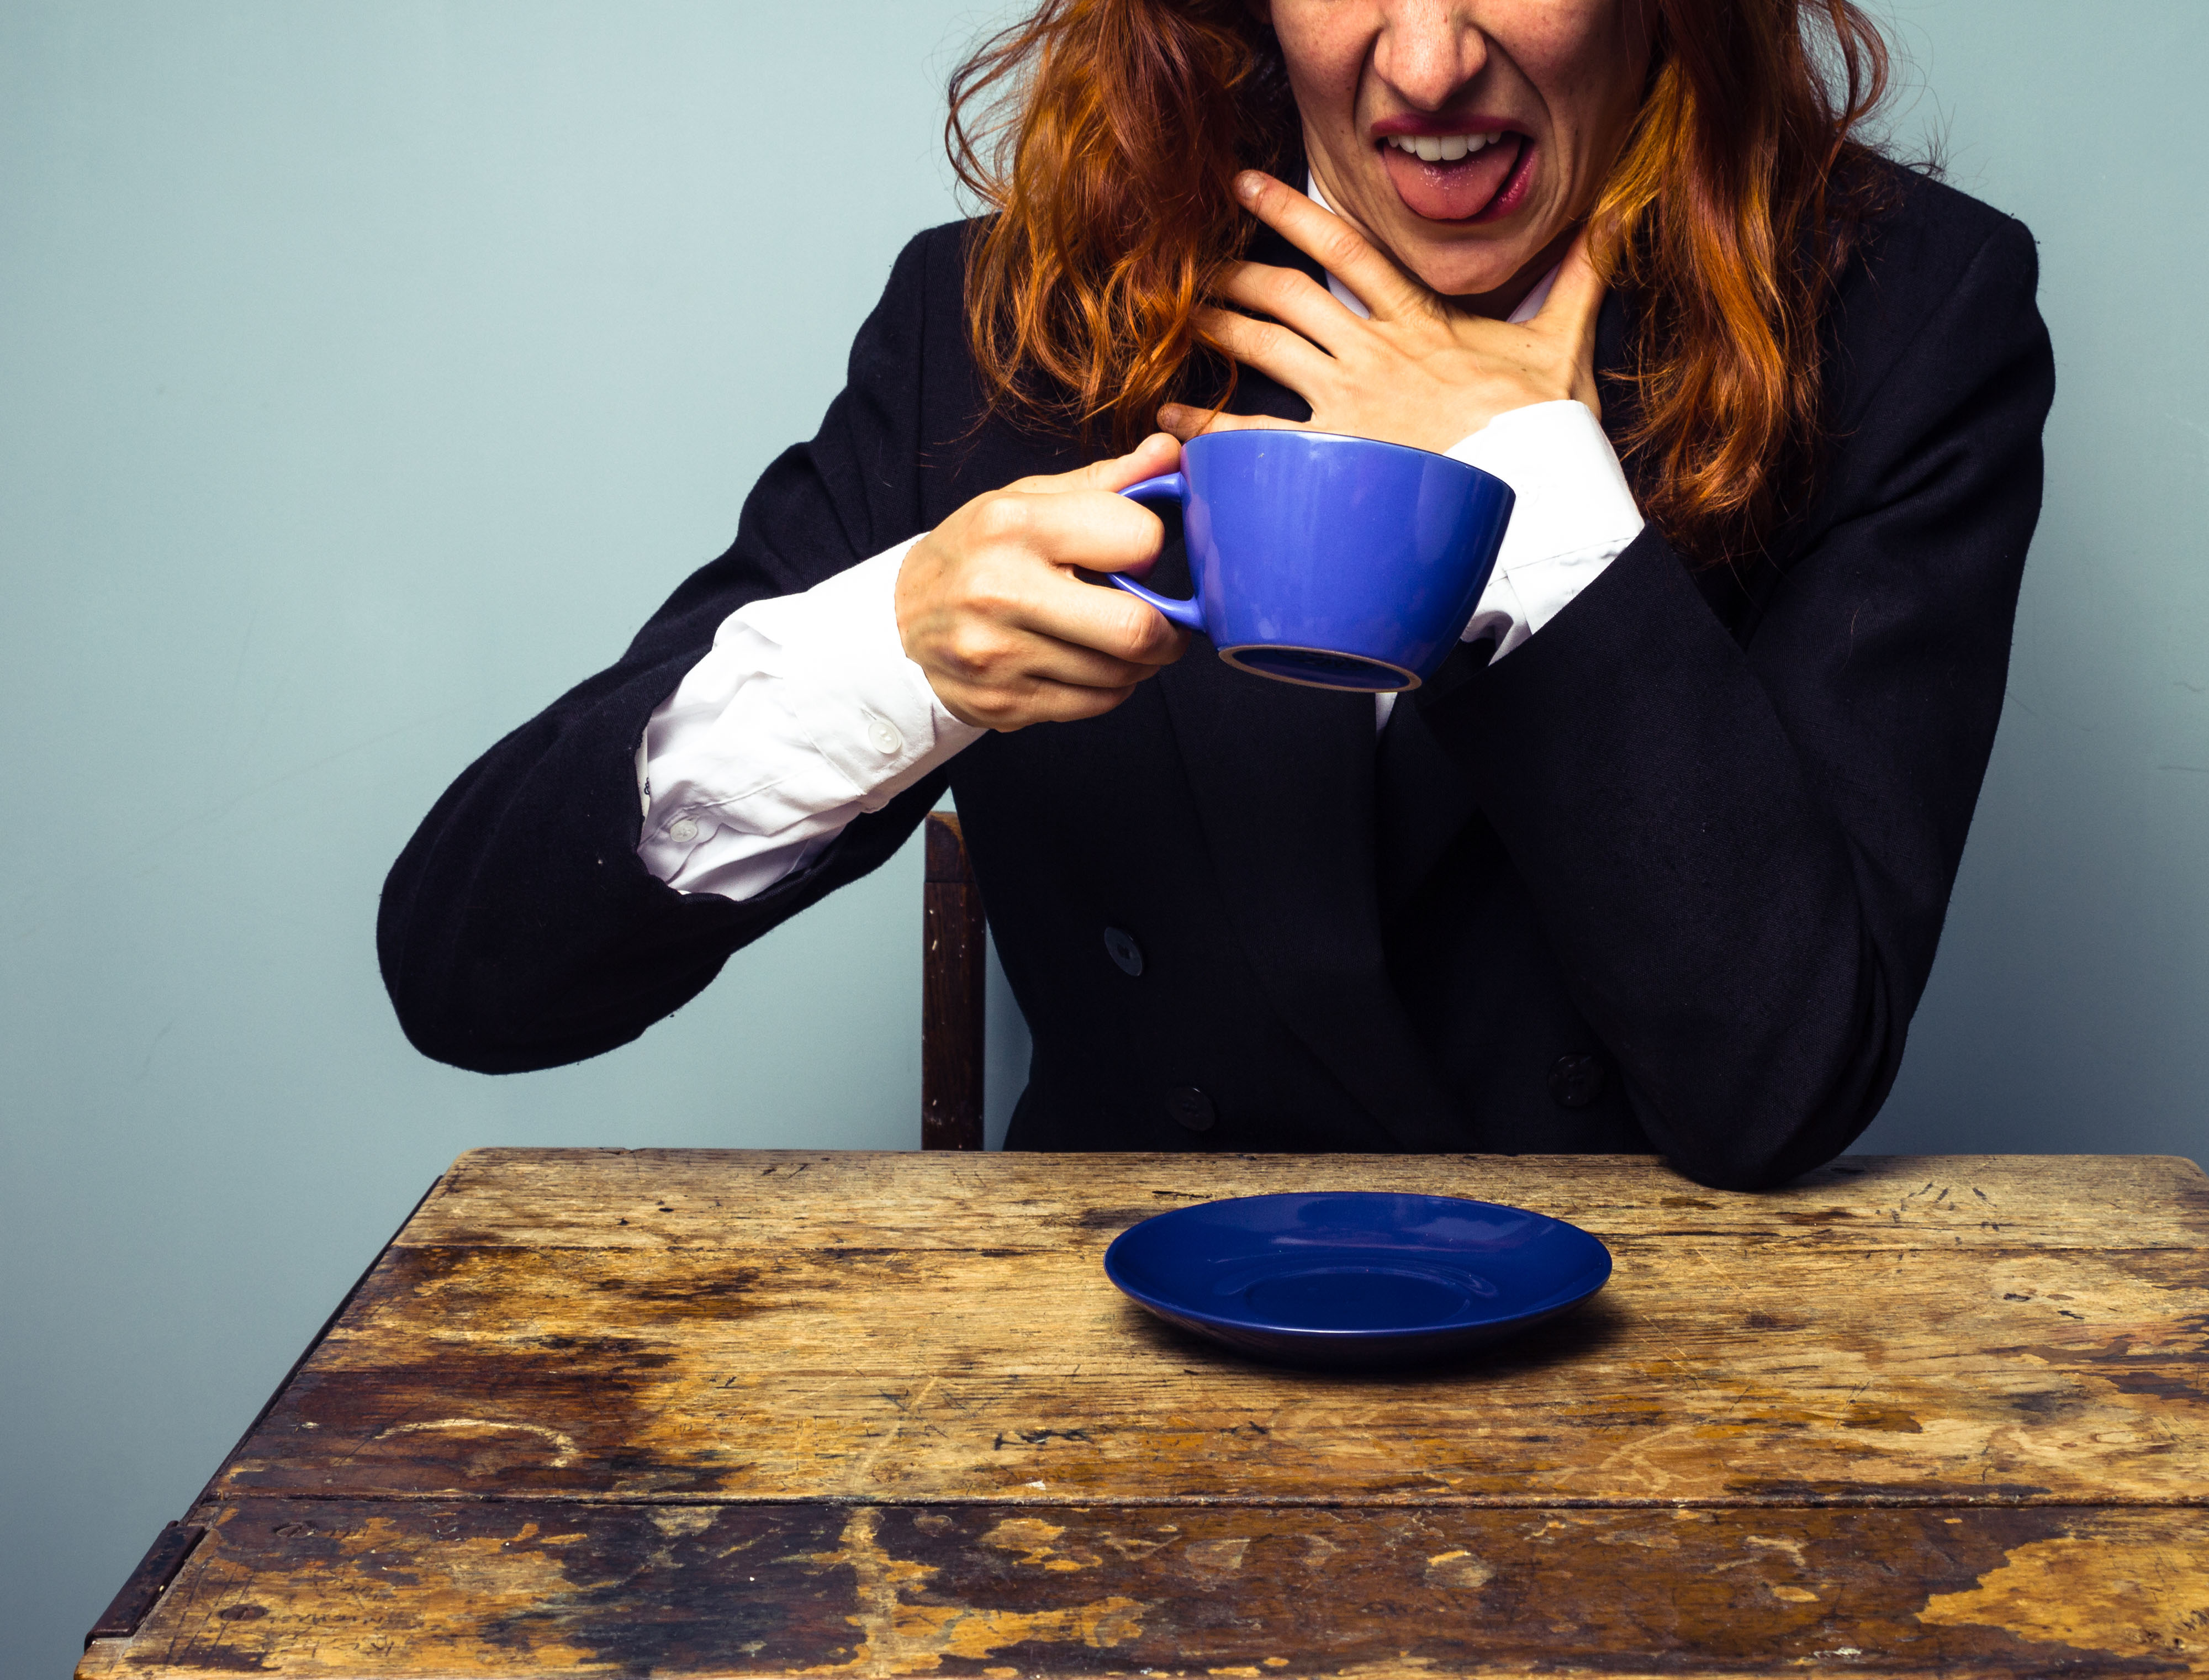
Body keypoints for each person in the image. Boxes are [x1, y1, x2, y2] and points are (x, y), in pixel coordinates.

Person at [378, 0, 2053, 1191]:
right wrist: (891, 655)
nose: (1427, 59)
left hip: (1643, 1422)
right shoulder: (1001, 325)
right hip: (1112, 1404)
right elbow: (472, 972)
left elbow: (1782, 1081)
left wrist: (1536, 486)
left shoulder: (1903, 317)